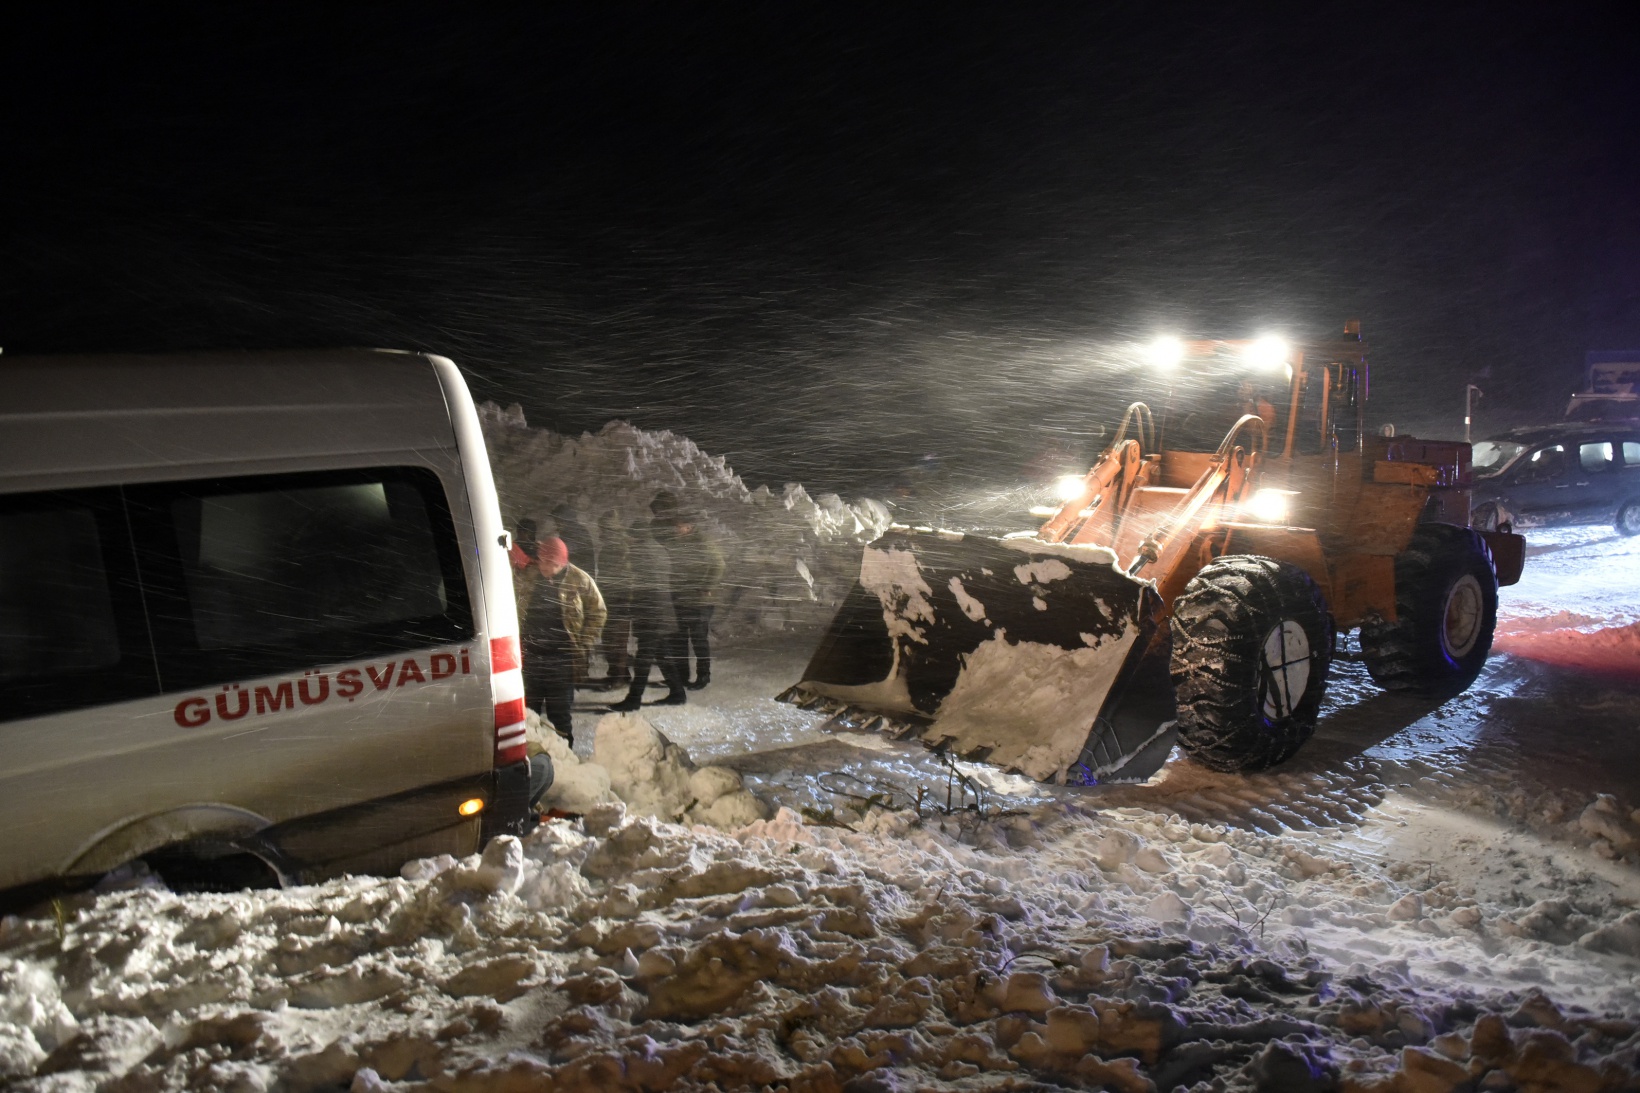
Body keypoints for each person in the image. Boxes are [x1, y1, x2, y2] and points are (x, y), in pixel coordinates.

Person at [520, 535, 607, 743]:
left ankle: (566, 758)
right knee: (527, 714)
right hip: (530, 657)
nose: (543, 566)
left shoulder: (580, 580)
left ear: (560, 563)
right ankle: (533, 757)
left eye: (549, 563)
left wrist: (583, 642)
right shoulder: (529, 576)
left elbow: (598, 612)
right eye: (541, 560)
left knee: (559, 715)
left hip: (561, 660)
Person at [610, 508, 687, 710]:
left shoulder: (641, 552)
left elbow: (635, 581)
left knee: (644, 657)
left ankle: (634, 699)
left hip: (650, 611)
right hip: (661, 608)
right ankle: (678, 692)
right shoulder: (659, 549)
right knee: (661, 653)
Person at [656, 508, 724, 690]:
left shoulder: (702, 542)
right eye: (676, 526)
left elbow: (718, 564)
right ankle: (681, 675)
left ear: (689, 526)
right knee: (679, 638)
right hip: (681, 597)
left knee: (698, 639)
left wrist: (707, 586)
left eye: (680, 526)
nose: (677, 529)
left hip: (699, 601)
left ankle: (703, 676)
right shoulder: (679, 542)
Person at [586, 509, 633, 689]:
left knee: (615, 641)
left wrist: (618, 599)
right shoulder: (615, 547)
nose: (601, 532)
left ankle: (618, 677)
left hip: (618, 601)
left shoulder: (618, 548)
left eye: (603, 529)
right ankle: (620, 674)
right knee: (614, 640)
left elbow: (623, 577)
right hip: (615, 600)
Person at [548, 502, 597, 578]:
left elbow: (567, 549)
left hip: (581, 577)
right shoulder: (567, 532)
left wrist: (550, 549)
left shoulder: (577, 532)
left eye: (557, 520)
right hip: (576, 576)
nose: (556, 523)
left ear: (564, 520)